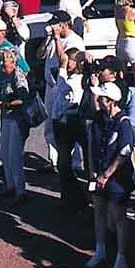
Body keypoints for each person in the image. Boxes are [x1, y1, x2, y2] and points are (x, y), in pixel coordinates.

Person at [86, 82, 135, 268]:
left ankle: (121, 258)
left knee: (118, 217)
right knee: (98, 210)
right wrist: (92, 170)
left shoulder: (123, 123)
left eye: (102, 98)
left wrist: (107, 174)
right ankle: (100, 250)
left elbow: (124, 152)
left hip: (117, 179)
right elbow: (91, 144)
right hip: (99, 173)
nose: (98, 100)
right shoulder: (98, 119)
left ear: (111, 101)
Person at [47, 47, 88, 211]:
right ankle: (68, 197)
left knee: (66, 162)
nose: (63, 63)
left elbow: (62, 88)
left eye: (67, 60)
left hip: (73, 121)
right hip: (61, 121)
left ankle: (80, 198)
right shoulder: (66, 77)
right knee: (63, 163)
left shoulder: (77, 79)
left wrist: (63, 68)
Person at [0, 44, 31, 201]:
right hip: (6, 117)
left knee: (15, 155)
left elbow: (22, 99)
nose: (2, 65)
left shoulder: (18, 75)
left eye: (5, 62)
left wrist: (6, 105)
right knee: (5, 154)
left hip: (17, 119)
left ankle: (20, 191)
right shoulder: (3, 76)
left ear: (13, 62)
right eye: (2, 61)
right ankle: (10, 185)